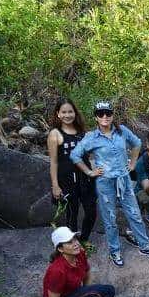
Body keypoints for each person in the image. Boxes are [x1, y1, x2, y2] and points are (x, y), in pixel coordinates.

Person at [70, 101, 149, 266]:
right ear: (96, 117)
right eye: (100, 113)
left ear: (112, 115)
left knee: (134, 214)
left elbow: (137, 144)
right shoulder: (91, 137)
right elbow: (75, 155)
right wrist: (89, 171)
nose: (105, 116)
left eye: (108, 113)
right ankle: (115, 251)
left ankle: (144, 245)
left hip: (124, 180)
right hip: (105, 183)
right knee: (110, 218)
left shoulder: (122, 131)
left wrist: (132, 163)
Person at [47, 98, 97, 245]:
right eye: (64, 112)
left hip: (86, 177)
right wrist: (55, 185)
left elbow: (89, 153)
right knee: (71, 214)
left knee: (91, 211)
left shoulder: (82, 131)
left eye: (70, 111)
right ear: (58, 114)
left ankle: (84, 239)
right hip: (67, 180)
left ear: (75, 112)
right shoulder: (55, 134)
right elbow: (53, 161)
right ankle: (72, 244)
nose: (67, 115)